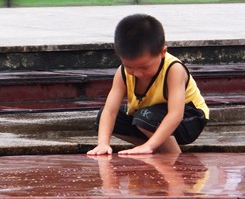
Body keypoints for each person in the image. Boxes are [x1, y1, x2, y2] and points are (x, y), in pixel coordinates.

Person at [87, 14, 209, 155]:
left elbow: (176, 114)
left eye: (144, 67)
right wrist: (103, 144)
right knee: (104, 117)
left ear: (162, 52)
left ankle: (173, 156)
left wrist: (149, 146)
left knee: (145, 118)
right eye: (129, 67)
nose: (137, 73)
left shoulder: (174, 69)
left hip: (189, 118)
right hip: (148, 116)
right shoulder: (122, 73)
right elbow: (110, 111)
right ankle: (154, 147)